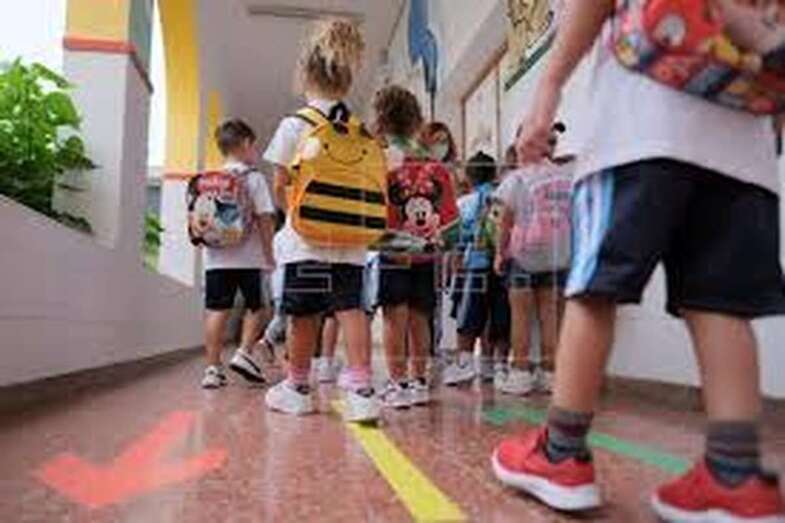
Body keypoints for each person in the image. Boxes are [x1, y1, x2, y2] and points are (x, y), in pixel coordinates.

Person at [491, 1, 785, 521]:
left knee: (594, 288)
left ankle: (561, 452)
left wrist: (548, 87)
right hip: (745, 136)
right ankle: (734, 474)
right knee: (721, 304)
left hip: (642, 119)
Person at [262, 19, 380, 422]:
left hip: (307, 240)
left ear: (305, 74)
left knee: (304, 313)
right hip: (351, 242)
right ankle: (363, 390)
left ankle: (297, 387)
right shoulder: (360, 131)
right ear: (347, 79)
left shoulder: (295, 125)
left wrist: (298, 214)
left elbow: (280, 184)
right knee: (351, 309)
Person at [374, 85, 459, 409]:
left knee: (394, 316)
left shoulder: (382, 160)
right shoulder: (434, 164)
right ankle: (419, 379)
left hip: (393, 247)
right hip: (427, 249)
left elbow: (375, 210)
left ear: (380, 120)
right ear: (416, 121)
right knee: (421, 315)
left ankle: (397, 382)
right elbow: (451, 219)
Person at [493, 124, 573, 396]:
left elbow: (503, 221)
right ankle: (551, 375)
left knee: (521, 317)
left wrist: (499, 252)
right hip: (555, 257)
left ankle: (520, 374)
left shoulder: (516, 179)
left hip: (523, 255)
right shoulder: (563, 178)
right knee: (550, 317)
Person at [200, 120, 276, 389]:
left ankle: (212, 369)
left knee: (216, 310)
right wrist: (270, 254)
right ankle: (244, 352)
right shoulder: (253, 178)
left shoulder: (210, 180)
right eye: (253, 145)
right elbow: (265, 219)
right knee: (260, 307)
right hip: (250, 258)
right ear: (245, 143)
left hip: (216, 259)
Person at [443, 151, 511, 387]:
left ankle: (464, 363)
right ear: (494, 174)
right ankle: (498, 364)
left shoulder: (465, 203)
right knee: (500, 314)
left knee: (469, 315)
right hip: (502, 266)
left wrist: (455, 267)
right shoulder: (503, 198)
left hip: (474, 267)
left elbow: (458, 240)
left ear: (469, 177)